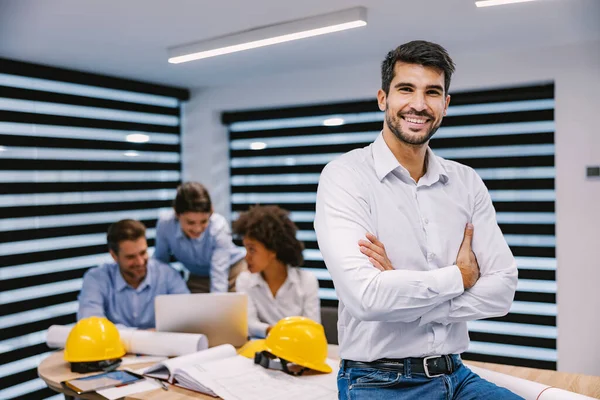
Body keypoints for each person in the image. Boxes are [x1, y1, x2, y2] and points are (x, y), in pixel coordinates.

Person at [314, 40, 521, 399]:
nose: (419, 105)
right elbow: (366, 299)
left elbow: (502, 290)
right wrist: (460, 277)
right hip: (379, 381)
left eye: (433, 92)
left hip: (456, 374)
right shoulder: (344, 177)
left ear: (445, 104)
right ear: (383, 98)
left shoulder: (466, 181)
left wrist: (406, 295)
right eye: (406, 89)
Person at [77, 219, 189, 329]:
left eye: (143, 253)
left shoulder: (167, 274)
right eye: (131, 257)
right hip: (115, 348)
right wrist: (148, 335)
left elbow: (187, 318)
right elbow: (91, 325)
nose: (140, 262)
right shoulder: (96, 278)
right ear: (114, 256)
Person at [233, 205, 320, 338]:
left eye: (252, 250)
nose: (246, 257)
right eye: (245, 249)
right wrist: (275, 331)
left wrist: (275, 332)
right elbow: (248, 324)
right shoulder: (244, 280)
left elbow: (313, 328)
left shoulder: (306, 281)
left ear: (273, 250)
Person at [153, 182, 247, 293]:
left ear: (211, 213)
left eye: (203, 221)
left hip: (233, 272)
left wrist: (219, 302)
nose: (198, 229)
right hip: (198, 277)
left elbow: (219, 276)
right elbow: (160, 263)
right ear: (177, 215)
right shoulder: (165, 225)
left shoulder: (219, 227)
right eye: (190, 222)